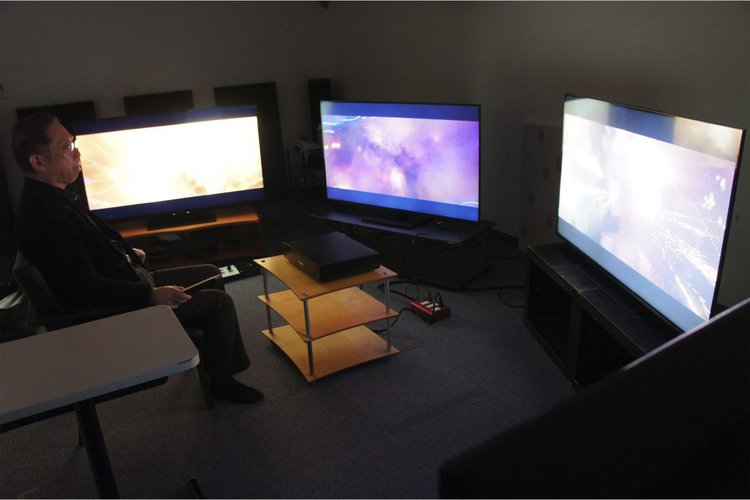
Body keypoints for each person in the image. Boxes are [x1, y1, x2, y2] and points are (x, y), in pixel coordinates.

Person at [11, 111, 263, 404]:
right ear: (38, 162)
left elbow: (83, 250)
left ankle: (213, 364)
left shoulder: (51, 196)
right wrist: (149, 295)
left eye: (74, 142)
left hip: (122, 280)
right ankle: (222, 383)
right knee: (219, 303)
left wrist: (125, 253)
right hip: (112, 311)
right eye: (67, 147)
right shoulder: (46, 218)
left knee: (211, 272)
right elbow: (81, 288)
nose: (78, 152)